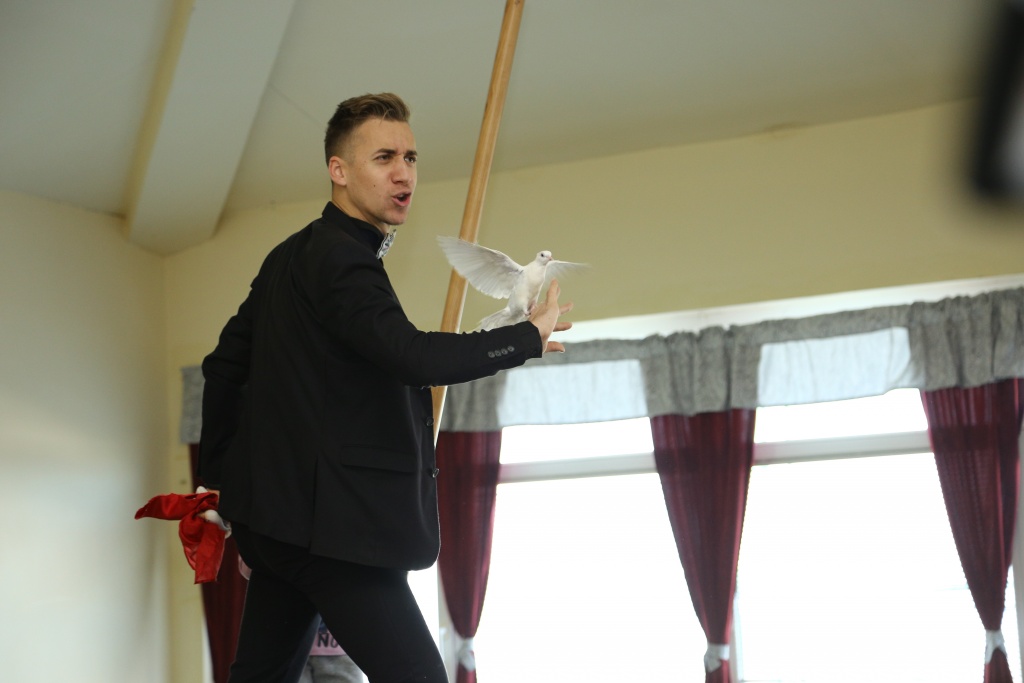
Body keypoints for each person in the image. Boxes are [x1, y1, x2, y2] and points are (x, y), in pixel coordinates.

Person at [198, 92, 572, 683]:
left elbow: (223, 368)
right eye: (384, 158)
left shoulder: (289, 256)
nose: (404, 174)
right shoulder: (342, 259)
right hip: (335, 533)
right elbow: (411, 355)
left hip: (277, 530)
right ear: (339, 170)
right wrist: (526, 337)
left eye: (410, 157)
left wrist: (223, 487)